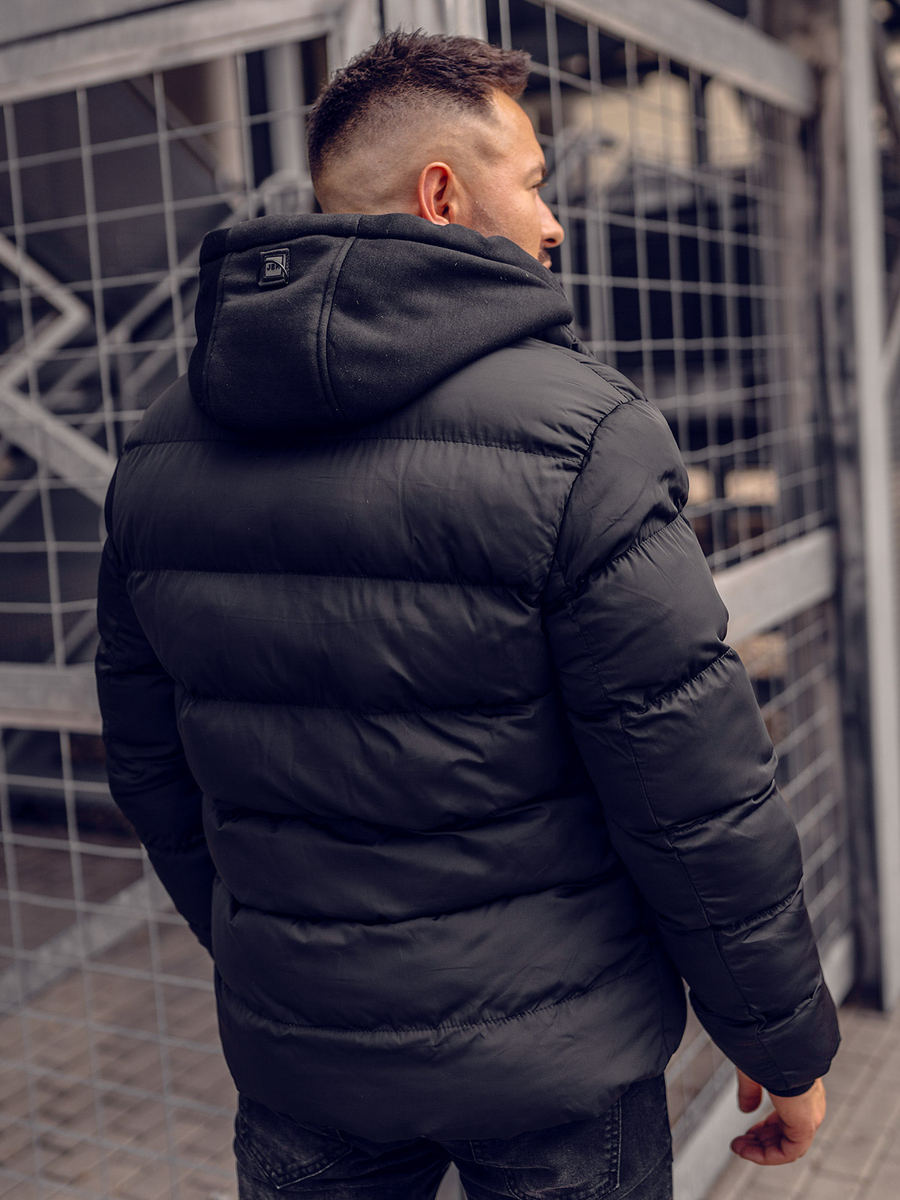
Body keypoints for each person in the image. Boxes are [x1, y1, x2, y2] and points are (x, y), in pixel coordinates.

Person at [96, 29, 839, 1200]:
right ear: (443, 195)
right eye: (534, 183)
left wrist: (278, 960)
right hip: (556, 1067)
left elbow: (149, 768)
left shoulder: (158, 450)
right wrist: (779, 1035)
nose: (554, 223)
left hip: (303, 1065)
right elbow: (689, 789)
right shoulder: (584, 436)